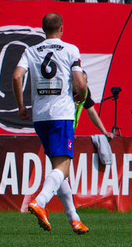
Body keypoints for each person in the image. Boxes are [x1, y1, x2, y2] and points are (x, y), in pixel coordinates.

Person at [12, 12, 89, 235]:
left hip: (41, 116)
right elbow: (79, 81)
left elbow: (17, 76)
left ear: (43, 28)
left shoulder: (31, 51)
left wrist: (21, 106)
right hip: (61, 113)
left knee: (59, 168)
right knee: (64, 166)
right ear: (62, 28)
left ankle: (74, 218)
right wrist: (82, 94)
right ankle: (40, 201)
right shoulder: (70, 50)